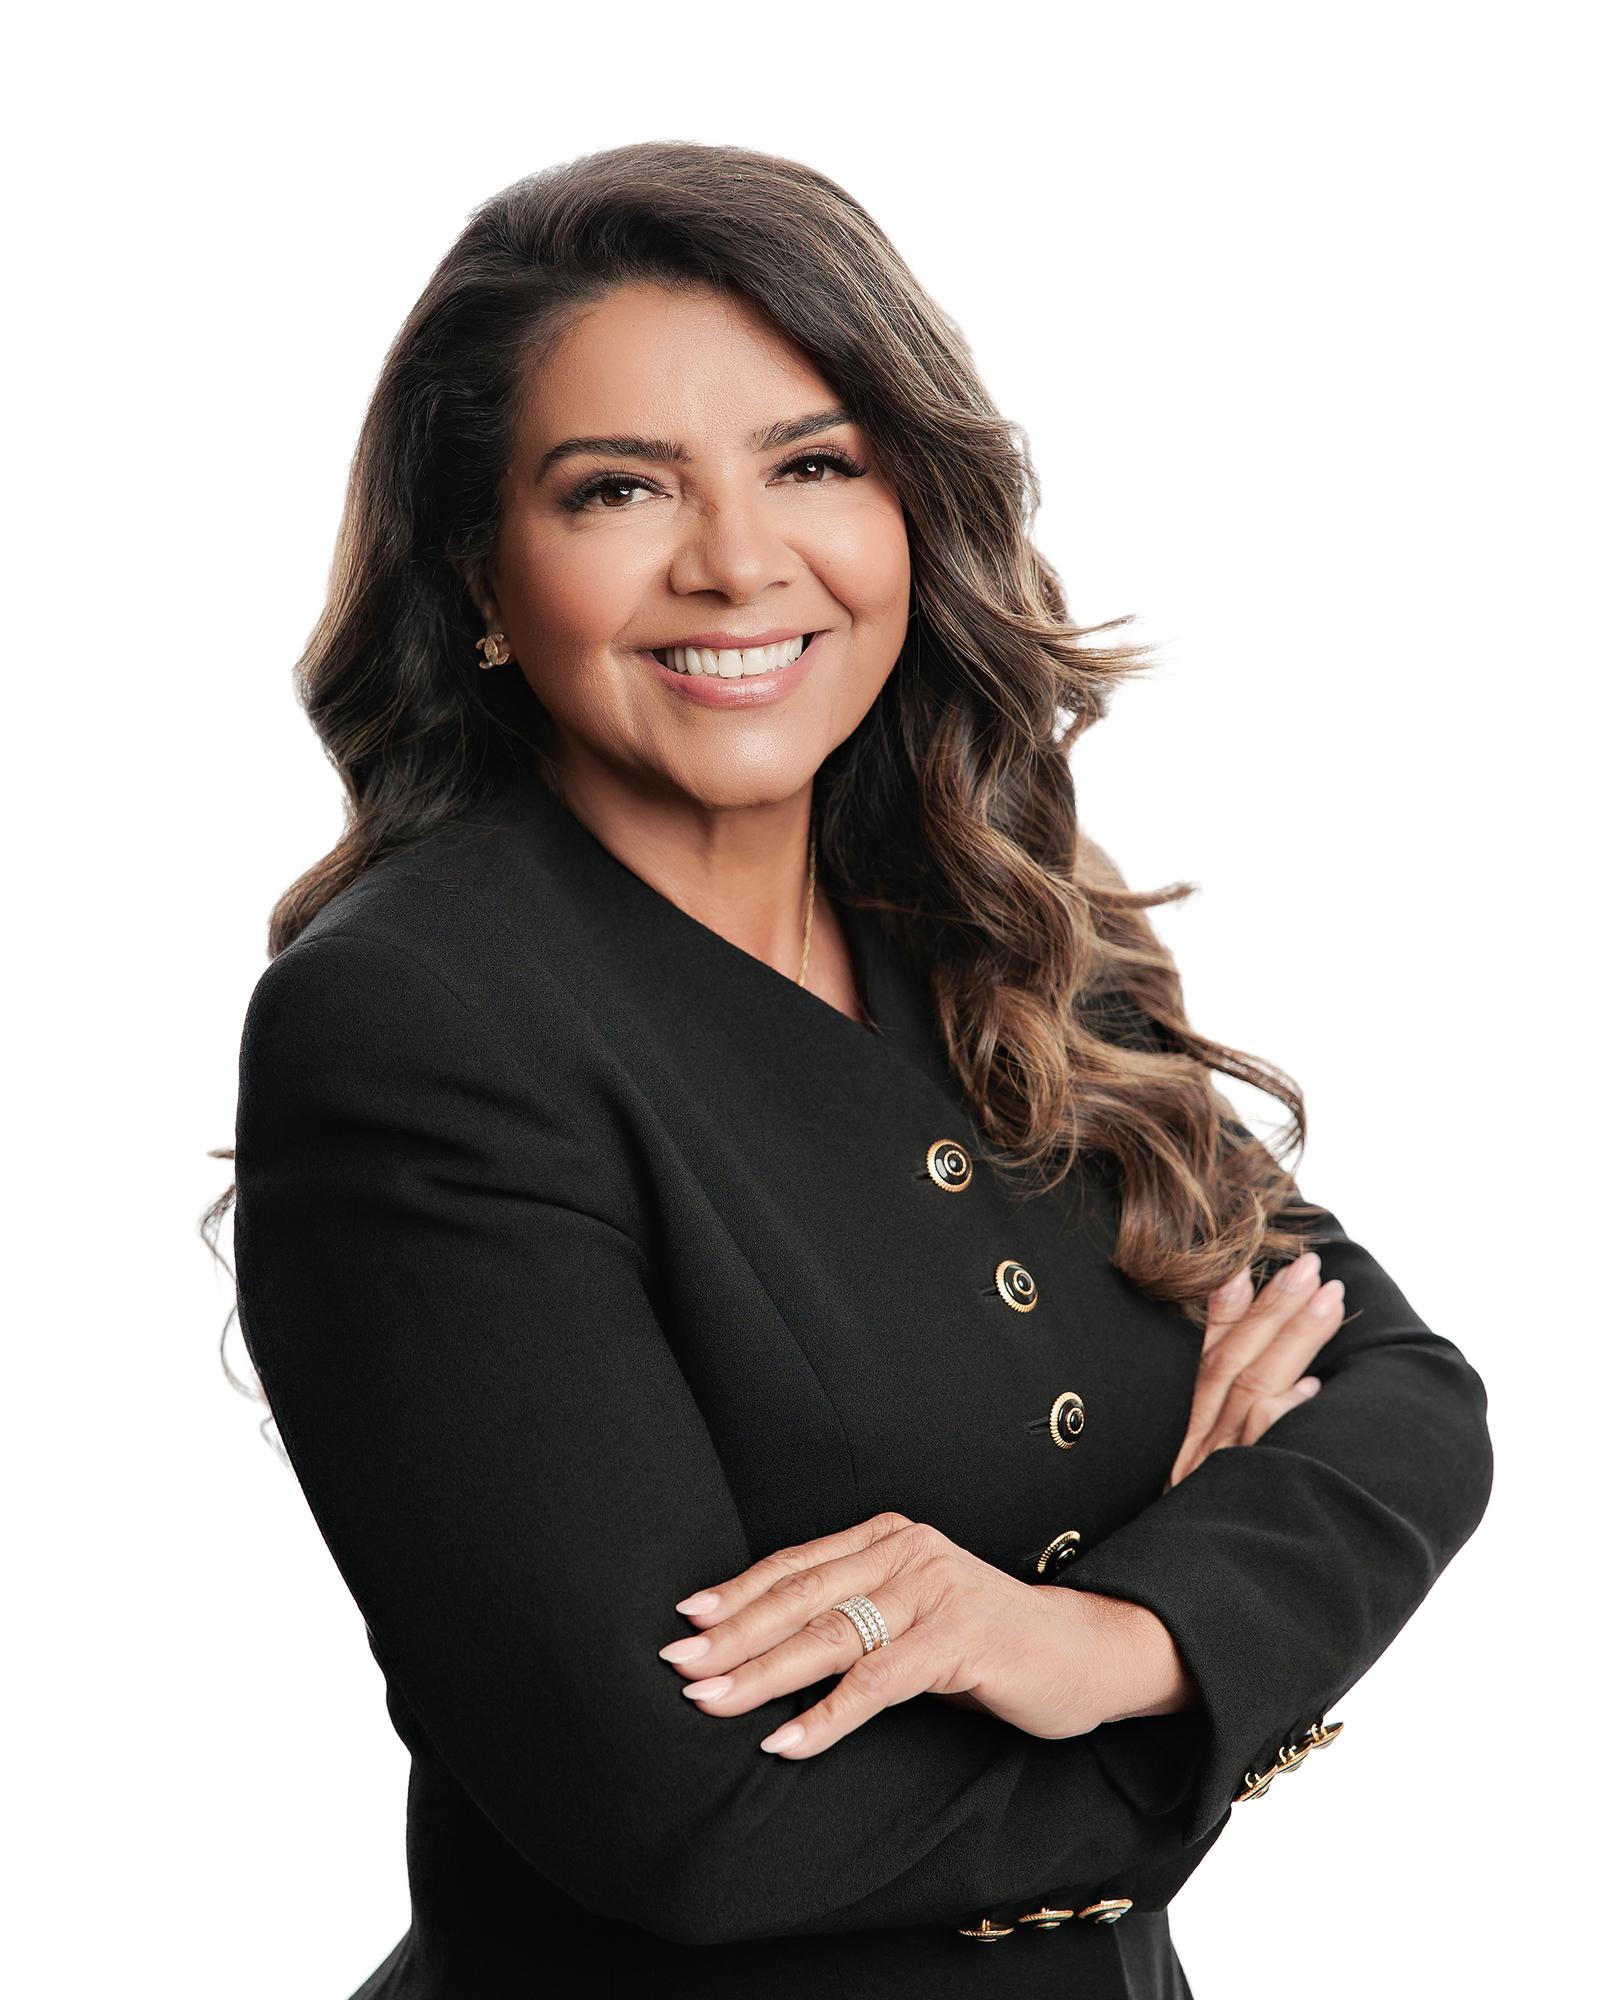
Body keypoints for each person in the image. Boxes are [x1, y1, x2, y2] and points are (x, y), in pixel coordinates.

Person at [221, 140, 1494, 2000]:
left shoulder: (982, 911)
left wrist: (1100, 1642)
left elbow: (1393, 1388)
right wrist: (1199, 1700)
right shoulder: (419, 1026)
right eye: (618, 489)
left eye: (813, 464)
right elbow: (702, 1822)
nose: (739, 560)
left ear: (914, 513)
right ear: (480, 573)